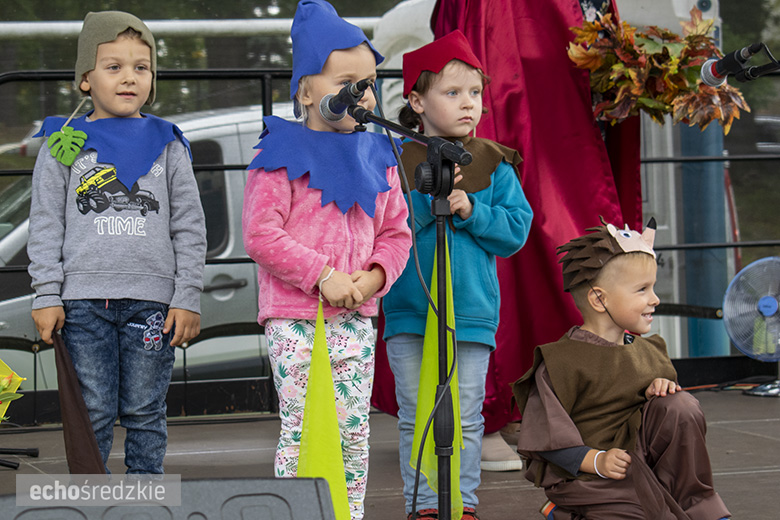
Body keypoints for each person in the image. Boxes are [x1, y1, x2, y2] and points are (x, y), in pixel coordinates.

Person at [241, 1, 412, 518]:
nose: (362, 94)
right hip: (295, 319)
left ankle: (347, 512)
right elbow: (259, 234)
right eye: (347, 81)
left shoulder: (379, 154)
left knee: (353, 430)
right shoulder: (279, 155)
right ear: (308, 90)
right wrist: (324, 276)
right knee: (304, 424)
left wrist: (376, 275)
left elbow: (397, 232)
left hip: (357, 316)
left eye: (370, 82)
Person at [28, 11, 206, 474]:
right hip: (83, 304)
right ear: (86, 79)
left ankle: (145, 502)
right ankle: (94, 502)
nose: (129, 77)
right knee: (93, 412)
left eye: (141, 67)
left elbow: (190, 225)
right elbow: (45, 223)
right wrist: (47, 293)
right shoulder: (61, 143)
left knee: (147, 412)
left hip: (153, 304)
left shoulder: (169, 143)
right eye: (114, 67)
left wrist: (187, 296)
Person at [382, 30, 534, 520]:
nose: (469, 104)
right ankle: (425, 506)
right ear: (416, 101)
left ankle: (461, 504)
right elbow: (382, 227)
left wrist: (471, 211)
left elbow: (516, 231)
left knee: (466, 416)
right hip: (410, 311)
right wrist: (432, 205)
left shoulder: (494, 162)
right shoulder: (393, 161)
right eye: (452, 92)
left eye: (475, 93)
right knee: (417, 415)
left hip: (469, 312)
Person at [512, 218, 731, 520]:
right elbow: (545, 435)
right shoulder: (560, 361)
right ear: (599, 299)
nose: (654, 299)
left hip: (642, 471)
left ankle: (702, 507)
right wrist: (596, 460)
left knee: (681, 406)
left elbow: (669, 426)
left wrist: (661, 392)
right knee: (646, 512)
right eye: (642, 289)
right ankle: (565, 511)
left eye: (652, 288)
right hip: (591, 480)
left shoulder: (651, 351)